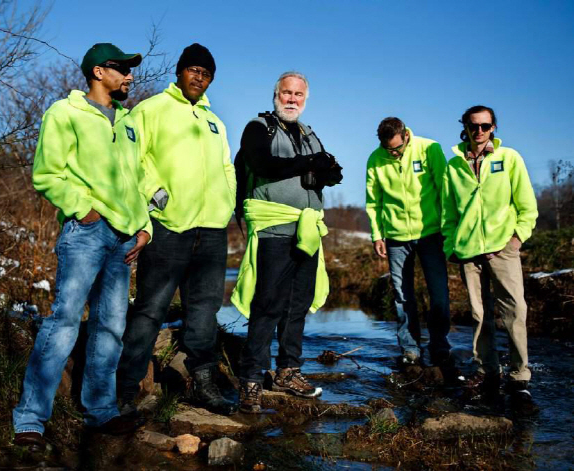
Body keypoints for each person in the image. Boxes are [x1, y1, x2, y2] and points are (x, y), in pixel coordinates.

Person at [13, 43, 152, 450]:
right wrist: (83, 209)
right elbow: (47, 173)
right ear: (97, 72)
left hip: (125, 238)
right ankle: (31, 419)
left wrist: (144, 227)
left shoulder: (128, 123)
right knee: (64, 322)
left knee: (111, 327)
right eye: (122, 69)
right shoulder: (64, 113)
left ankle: (101, 411)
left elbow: (139, 180)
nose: (129, 76)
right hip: (86, 234)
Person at [117, 43, 237, 416]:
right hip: (168, 228)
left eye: (206, 73)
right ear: (180, 71)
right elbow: (129, 157)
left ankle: (202, 383)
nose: (199, 77)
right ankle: (125, 387)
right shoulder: (151, 109)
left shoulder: (215, 122)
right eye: (193, 70)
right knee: (151, 308)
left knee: (204, 312)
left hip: (212, 229)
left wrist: (226, 203)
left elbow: (226, 167)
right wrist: (154, 193)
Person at [232, 71, 343, 413]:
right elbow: (261, 163)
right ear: (275, 95)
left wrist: (325, 168)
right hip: (274, 229)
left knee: (298, 304)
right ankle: (251, 378)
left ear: (305, 99)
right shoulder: (258, 127)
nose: (292, 99)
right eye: (286, 93)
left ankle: (288, 371)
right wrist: (310, 162)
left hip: (307, 229)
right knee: (268, 303)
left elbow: (334, 173)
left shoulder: (310, 134)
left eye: (298, 94)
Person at [441, 105, 538, 410]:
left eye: (485, 126)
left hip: (503, 250)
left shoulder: (509, 158)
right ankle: (488, 372)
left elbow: (527, 206)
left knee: (515, 312)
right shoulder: (453, 166)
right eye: (473, 126)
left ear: (494, 127)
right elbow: (448, 213)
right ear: (465, 128)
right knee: (479, 315)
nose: (479, 131)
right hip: (468, 253)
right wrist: (451, 247)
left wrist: (516, 239)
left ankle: (520, 377)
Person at [365, 118, 452, 367]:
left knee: (438, 294)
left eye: (396, 148)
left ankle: (439, 344)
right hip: (395, 237)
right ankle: (410, 348)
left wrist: (447, 227)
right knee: (403, 296)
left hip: (431, 233)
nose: (392, 153)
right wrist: (377, 234)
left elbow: (444, 190)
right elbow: (373, 201)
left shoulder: (430, 149)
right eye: (387, 149)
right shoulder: (375, 158)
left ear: (405, 136)